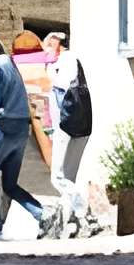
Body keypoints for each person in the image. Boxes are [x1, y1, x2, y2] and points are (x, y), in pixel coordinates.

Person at [0, 30, 46, 240]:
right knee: (9, 184)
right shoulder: (10, 63)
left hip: (3, 126)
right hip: (21, 128)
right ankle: (42, 214)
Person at [43, 31, 90, 236]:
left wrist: (48, 76)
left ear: (56, 43)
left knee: (58, 178)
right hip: (73, 124)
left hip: (67, 124)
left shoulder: (68, 59)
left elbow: (62, 87)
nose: (45, 51)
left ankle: (85, 213)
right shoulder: (60, 62)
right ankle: (73, 224)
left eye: (47, 46)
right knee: (68, 178)